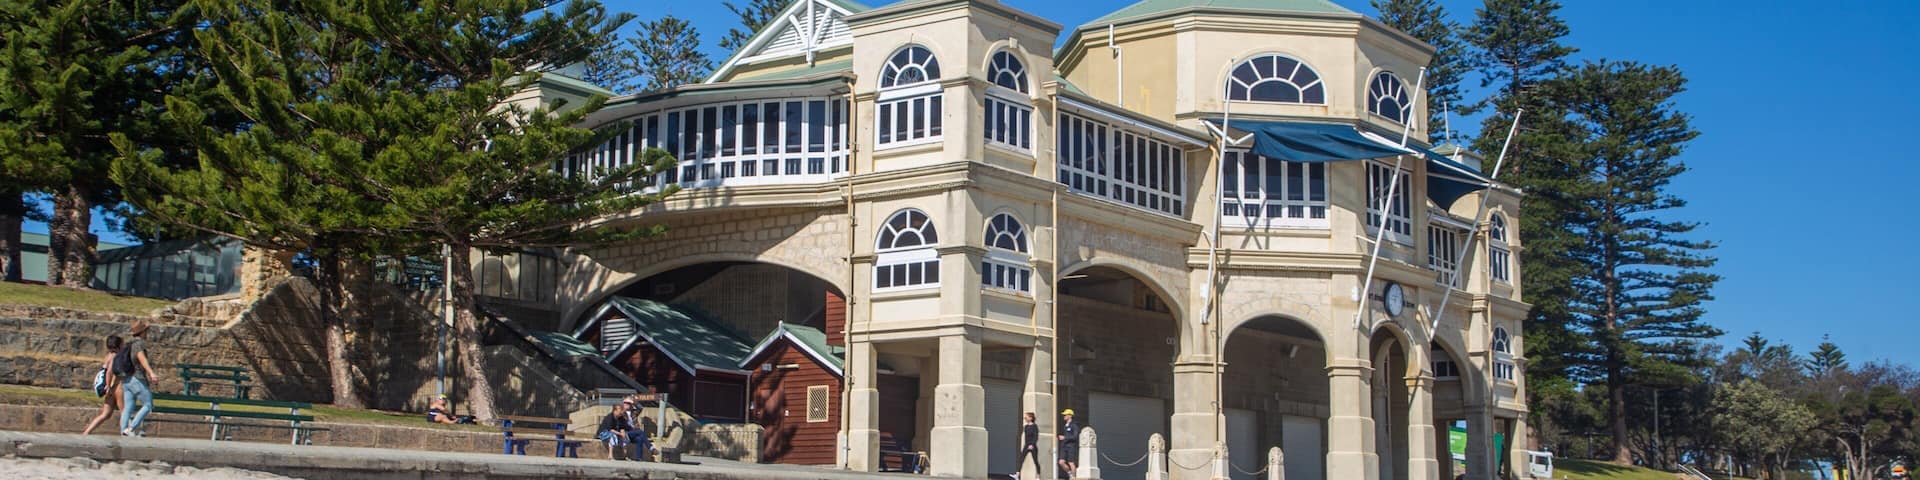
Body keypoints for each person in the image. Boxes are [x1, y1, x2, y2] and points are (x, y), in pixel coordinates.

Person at [118, 320, 159, 437]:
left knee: (128, 407)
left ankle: (123, 430)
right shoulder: (139, 344)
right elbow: (142, 359)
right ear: (143, 332)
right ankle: (131, 428)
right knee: (148, 405)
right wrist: (151, 373)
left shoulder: (129, 344)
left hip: (127, 379)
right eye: (146, 331)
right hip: (137, 378)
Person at [82, 336, 124, 435]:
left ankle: (87, 432)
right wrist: (109, 386)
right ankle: (125, 434)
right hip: (116, 387)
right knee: (124, 413)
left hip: (110, 388)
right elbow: (109, 372)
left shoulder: (108, 356)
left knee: (105, 414)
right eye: (122, 344)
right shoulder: (115, 356)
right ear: (118, 345)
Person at [1016, 411, 1041, 476]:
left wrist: (1032, 444)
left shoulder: (1034, 426)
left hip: (1032, 446)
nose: (1025, 418)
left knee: (1035, 461)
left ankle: (1038, 475)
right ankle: (1017, 474)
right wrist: (1026, 445)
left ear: (1030, 418)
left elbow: (1036, 436)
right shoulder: (1026, 426)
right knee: (1021, 459)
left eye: (1026, 417)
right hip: (1026, 445)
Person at [1057, 409, 1080, 479]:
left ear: (1070, 416)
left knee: (1071, 462)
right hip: (1064, 446)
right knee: (1061, 462)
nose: (1064, 416)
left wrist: (1065, 437)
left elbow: (1075, 436)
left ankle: (1074, 477)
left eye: (1065, 415)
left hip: (1071, 446)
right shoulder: (1065, 425)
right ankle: (1069, 473)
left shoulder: (1074, 425)